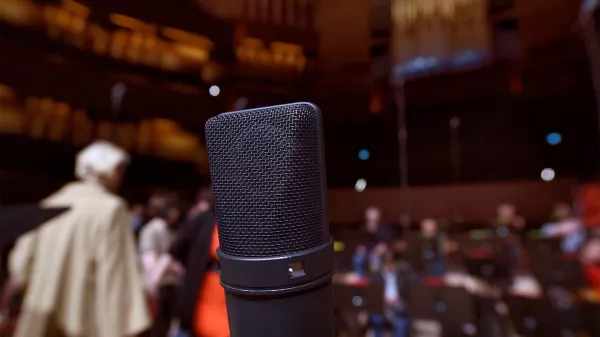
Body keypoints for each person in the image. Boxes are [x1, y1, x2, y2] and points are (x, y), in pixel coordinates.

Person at [7, 140, 150, 337]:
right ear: (111, 170)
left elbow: (20, 265)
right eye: (120, 169)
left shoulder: (50, 202)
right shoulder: (111, 210)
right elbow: (117, 279)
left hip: (39, 320)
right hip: (82, 323)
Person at [147, 187, 228, 337]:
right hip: (200, 306)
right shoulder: (205, 220)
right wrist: (153, 282)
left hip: (230, 309)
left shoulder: (249, 221)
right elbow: (173, 252)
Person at [139, 193, 183, 337]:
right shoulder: (154, 229)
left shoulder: (167, 228)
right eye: (173, 209)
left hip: (168, 286)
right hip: (158, 288)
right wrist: (173, 267)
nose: (176, 213)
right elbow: (150, 262)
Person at [369, 252, 408, 337]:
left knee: (401, 323)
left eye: (391, 261)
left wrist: (398, 300)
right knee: (376, 320)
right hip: (382, 307)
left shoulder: (401, 275)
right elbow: (373, 294)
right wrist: (384, 299)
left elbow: (406, 292)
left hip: (397, 307)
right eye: (387, 261)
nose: (389, 264)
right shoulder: (378, 276)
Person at [353, 207, 391, 276]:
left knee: (375, 261)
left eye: (374, 220)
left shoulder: (383, 230)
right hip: (365, 253)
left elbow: (384, 247)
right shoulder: (362, 229)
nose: (372, 222)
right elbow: (359, 245)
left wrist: (374, 253)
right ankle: (360, 278)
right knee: (358, 258)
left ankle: (374, 281)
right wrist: (361, 250)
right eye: (369, 220)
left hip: (377, 254)